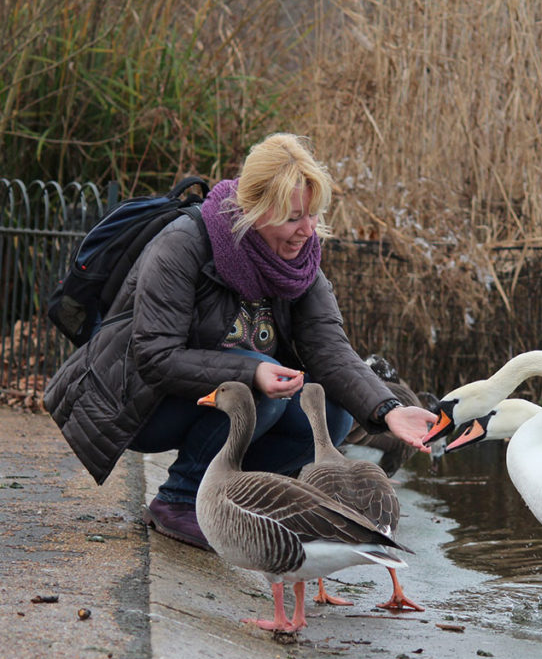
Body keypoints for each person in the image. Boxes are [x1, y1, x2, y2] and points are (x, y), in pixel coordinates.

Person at [44, 133, 437, 550]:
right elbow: (154, 356)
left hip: (223, 400)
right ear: (255, 211)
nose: (308, 231)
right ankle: (179, 500)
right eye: (293, 217)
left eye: (312, 215)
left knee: (332, 414)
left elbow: (331, 351)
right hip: (141, 401)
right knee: (255, 387)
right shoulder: (183, 245)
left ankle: (233, 498)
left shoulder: (300, 263)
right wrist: (252, 370)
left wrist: (388, 410)